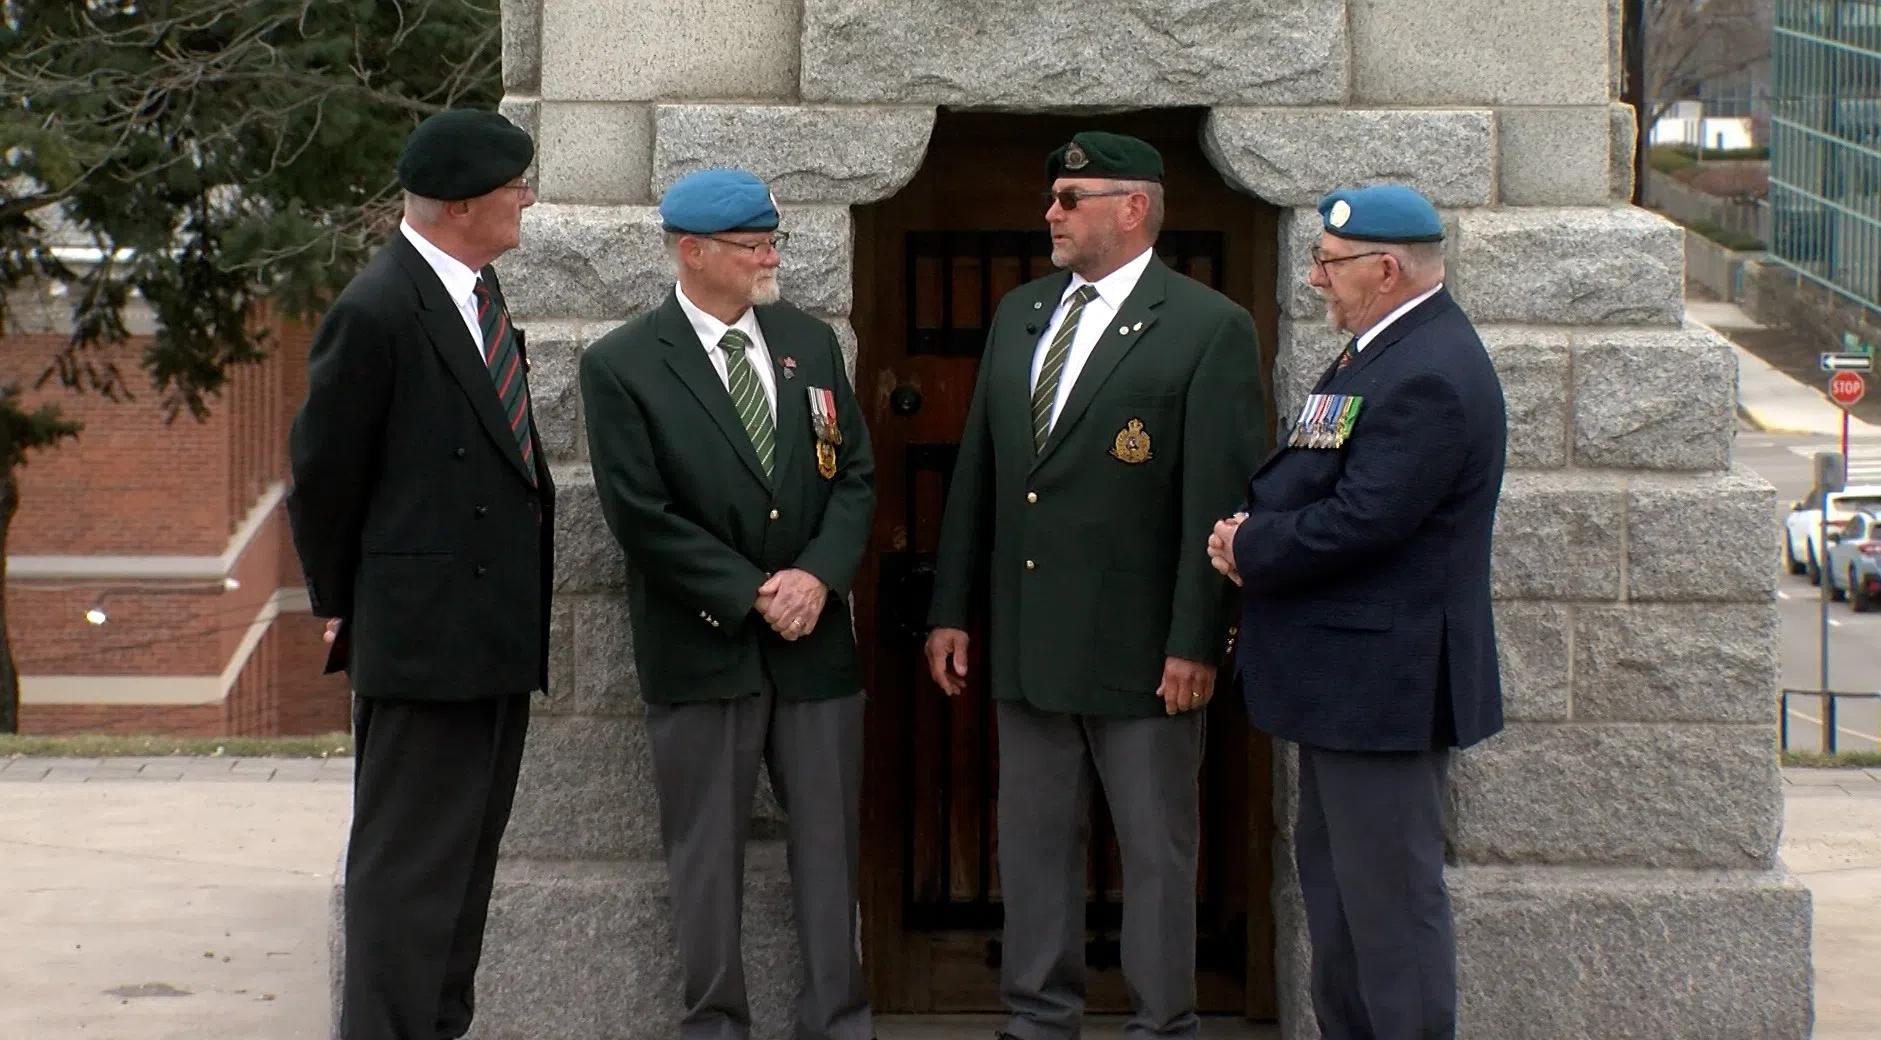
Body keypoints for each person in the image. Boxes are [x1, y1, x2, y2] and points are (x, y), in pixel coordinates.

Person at [924, 132, 1264, 1040]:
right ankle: (1038, 1019)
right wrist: (951, 609)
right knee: (1032, 845)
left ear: (1133, 207)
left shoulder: (1205, 325)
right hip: (1029, 638)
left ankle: (1162, 1023)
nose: (1051, 213)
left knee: (1155, 852)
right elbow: (981, 472)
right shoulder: (1021, 312)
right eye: (1052, 197)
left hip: (1142, 649)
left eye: (1070, 198)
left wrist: (1197, 638)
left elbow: (1217, 500)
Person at [577, 168, 877, 1040]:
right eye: (753, 246)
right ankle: (715, 1025)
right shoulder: (622, 364)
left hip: (814, 645)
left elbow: (851, 474)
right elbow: (640, 514)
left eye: (771, 242)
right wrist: (750, 594)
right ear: (693, 252)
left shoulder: (808, 343)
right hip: (702, 648)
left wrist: (816, 577)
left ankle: (838, 1022)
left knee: (830, 851)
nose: (769, 258)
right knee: (705, 858)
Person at [1208, 183, 1508, 1040]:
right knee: (1341, 903)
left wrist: (1251, 546)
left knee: (1387, 910)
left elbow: (1367, 518)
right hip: (1346, 687)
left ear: (1385, 269)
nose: (1314, 278)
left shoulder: (1428, 371)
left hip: (1382, 688)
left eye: (1328, 263)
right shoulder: (1381, 352)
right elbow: (1316, 475)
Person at [285, 108, 555, 1040]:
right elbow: (324, 474)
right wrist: (343, 603)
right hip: (425, 640)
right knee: (408, 880)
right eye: (514, 186)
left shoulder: (476, 292)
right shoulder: (377, 308)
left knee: (462, 879)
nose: (527, 198)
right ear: (462, 205)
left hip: (490, 636)